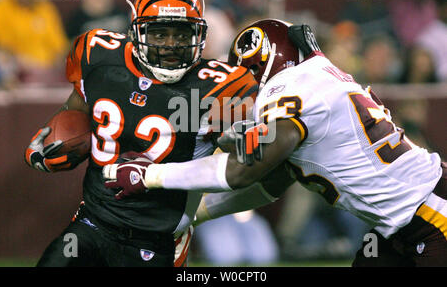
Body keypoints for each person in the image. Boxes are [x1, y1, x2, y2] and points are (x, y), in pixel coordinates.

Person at [103, 19, 446, 266]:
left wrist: (151, 176)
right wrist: (194, 216)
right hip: (404, 223)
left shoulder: (289, 87)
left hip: (431, 217)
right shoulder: (318, 79)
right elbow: (274, 181)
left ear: (258, 63)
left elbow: (240, 173)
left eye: (240, 75)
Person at [24, 0, 258, 267]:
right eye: (160, 33)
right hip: (93, 223)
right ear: (136, 30)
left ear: (199, 33)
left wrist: (241, 137)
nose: (171, 45)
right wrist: (55, 140)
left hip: (157, 241)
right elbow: (77, 110)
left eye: (182, 34)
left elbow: (251, 160)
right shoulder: (99, 55)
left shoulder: (221, 87)